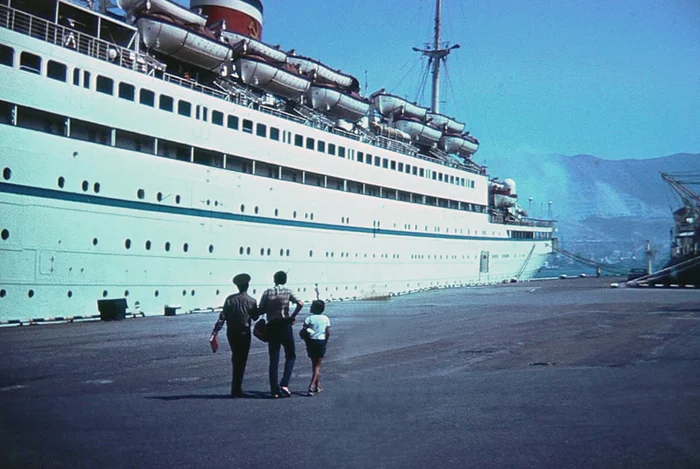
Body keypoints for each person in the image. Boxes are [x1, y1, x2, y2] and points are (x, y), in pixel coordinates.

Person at [211, 273, 258, 398]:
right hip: (244, 333)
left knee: (235, 357)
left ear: (237, 286)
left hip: (231, 333)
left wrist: (215, 331)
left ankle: (235, 387)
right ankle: (237, 389)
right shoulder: (252, 301)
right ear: (247, 285)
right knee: (241, 360)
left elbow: (222, 317)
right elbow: (255, 317)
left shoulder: (230, 299)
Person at [259, 271, 303, 398]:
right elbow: (300, 303)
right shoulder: (288, 292)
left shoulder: (267, 292)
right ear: (285, 280)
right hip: (285, 325)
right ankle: (284, 383)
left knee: (273, 358)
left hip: (272, 326)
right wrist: (292, 316)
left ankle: (274, 391)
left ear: (274, 279)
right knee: (290, 355)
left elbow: (261, 308)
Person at [301, 300, 331, 396]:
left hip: (311, 341)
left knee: (314, 364)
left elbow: (304, 331)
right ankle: (312, 385)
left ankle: (318, 385)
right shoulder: (325, 318)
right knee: (318, 365)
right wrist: (326, 341)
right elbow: (328, 332)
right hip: (321, 341)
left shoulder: (308, 318)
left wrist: (306, 341)